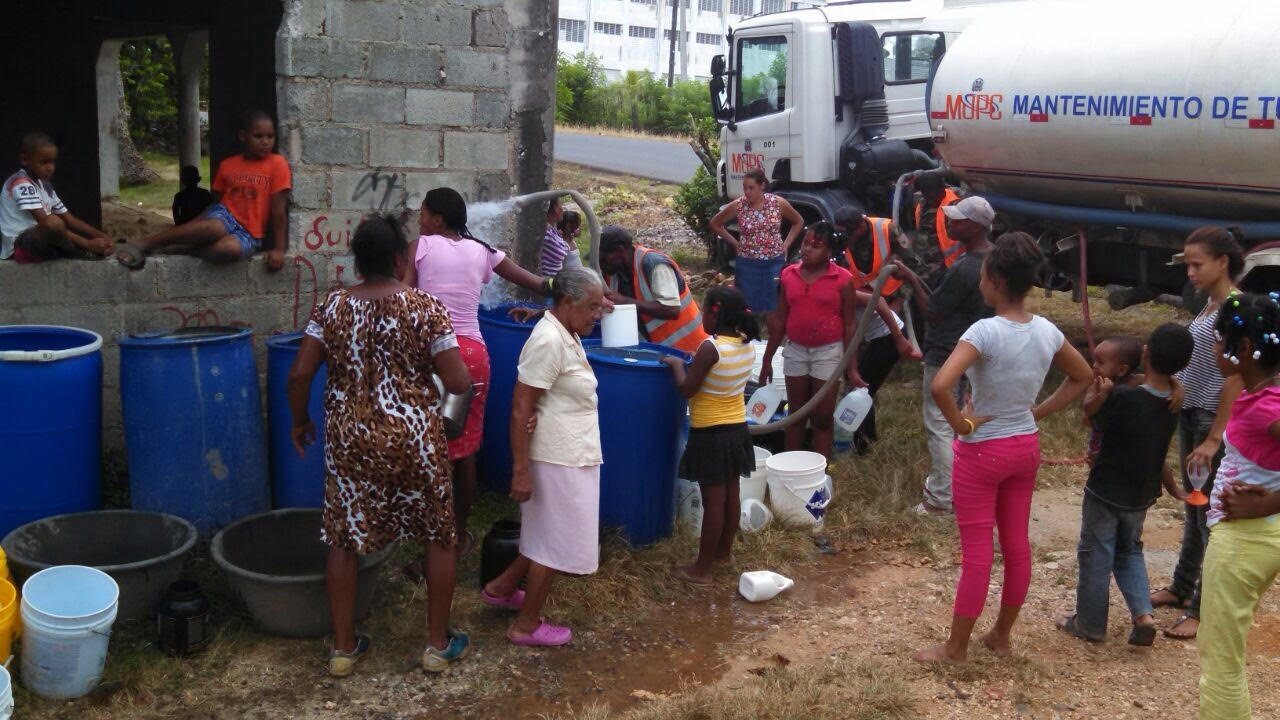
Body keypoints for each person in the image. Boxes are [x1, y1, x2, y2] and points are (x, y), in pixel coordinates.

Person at [287, 215, 473, 677]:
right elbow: (457, 380)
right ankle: (437, 644)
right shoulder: (426, 307)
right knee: (439, 533)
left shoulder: (331, 307)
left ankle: (343, 648)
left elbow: (299, 375)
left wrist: (300, 420)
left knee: (343, 537)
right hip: (415, 438)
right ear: (398, 259)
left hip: (351, 439)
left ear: (357, 261)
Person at [914, 232, 1092, 664]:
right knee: (1016, 546)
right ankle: (1001, 635)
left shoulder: (984, 331)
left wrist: (961, 425)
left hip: (981, 452)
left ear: (993, 279)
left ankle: (955, 649)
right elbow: (1083, 375)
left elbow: (940, 385)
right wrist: (1039, 412)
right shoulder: (1046, 330)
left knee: (978, 556)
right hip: (1024, 448)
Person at [403, 187, 551, 558]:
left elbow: (402, 296)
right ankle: (458, 535)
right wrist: (568, 286)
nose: (419, 219)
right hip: (471, 355)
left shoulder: (420, 247)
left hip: (431, 354)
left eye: (423, 213)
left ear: (437, 219)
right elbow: (533, 282)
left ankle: (430, 534)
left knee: (427, 444)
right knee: (464, 448)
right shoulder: (481, 250)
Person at [481, 267, 607, 647]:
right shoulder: (550, 340)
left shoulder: (565, 328)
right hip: (559, 457)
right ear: (567, 303)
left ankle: (501, 588)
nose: (598, 314)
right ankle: (525, 625)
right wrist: (520, 470)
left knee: (543, 534)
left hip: (570, 450)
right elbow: (521, 406)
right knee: (554, 542)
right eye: (592, 307)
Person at [1057, 323, 1193, 646]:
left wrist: (1101, 394)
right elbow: (1159, 455)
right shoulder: (1173, 402)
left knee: (1096, 554)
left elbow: (1091, 418)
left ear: (1145, 354)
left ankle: (1090, 624)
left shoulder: (1122, 396)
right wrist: (1173, 489)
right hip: (1140, 496)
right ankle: (1143, 615)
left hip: (1106, 491)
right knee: (1129, 551)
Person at [1152, 227, 1246, 641]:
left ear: (1222, 262)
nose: (1190, 272)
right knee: (1194, 507)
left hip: (1210, 418)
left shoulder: (1235, 307)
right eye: (1187, 265)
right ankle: (1181, 585)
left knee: (1208, 515)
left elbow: (1235, 377)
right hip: (1192, 412)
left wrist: (1214, 438)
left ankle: (1202, 608)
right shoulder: (1211, 303)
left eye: (1197, 264)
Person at [1197, 292, 1280, 720]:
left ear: (1243, 348)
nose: (1214, 349)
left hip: (1245, 542)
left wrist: (1268, 503)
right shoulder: (1265, 394)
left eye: (1218, 340)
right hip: (1254, 537)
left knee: (1221, 659)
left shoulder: (1267, 407)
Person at [894, 196, 996, 516]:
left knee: (939, 420)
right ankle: (958, 484)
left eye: (957, 220)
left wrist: (911, 278)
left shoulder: (965, 267)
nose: (949, 223)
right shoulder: (994, 259)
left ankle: (940, 499)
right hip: (977, 350)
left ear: (975, 227)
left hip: (948, 352)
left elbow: (933, 312)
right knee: (961, 418)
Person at [662, 286, 759, 584]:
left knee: (713, 502)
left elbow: (686, 389)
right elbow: (718, 372)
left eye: (703, 310)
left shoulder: (711, 348)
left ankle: (701, 569)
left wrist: (676, 365)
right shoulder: (746, 345)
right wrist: (697, 361)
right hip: (737, 430)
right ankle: (723, 553)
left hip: (711, 433)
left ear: (716, 314)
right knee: (731, 496)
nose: (701, 316)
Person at [117, 110, 290, 271]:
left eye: (270, 136)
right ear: (243, 136)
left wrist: (279, 249)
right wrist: (196, 224)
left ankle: (185, 248)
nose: (265, 141)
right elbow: (218, 203)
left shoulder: (277, 164)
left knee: (229, 249)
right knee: (214, 227)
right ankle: (147, 243)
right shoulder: (228, 165)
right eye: (258, 136)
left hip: (250, 232)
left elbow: (278, 210)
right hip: (225, 216)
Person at [759, 222, 863, 459]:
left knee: (823, 416)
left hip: (828, 352)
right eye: (806, 243)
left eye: (816, 246)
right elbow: (780, 320)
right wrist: (767, 360)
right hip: (796, 350)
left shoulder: (843, 279)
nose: (807, 249)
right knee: (796, 414)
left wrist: (852, 369)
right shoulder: (789, 274)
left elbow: (850, 325)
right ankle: (790, 464)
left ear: (829, 252)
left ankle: (820, 467)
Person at [832, 209, 919, 453]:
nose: (846, 240)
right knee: (858, 384)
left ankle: (863, 445)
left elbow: (913, 266)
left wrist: (898, 307)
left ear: (860, 227)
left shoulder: (886, 229)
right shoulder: (840, 251)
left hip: (885, 313)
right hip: (866, 314)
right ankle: (861, 440)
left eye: (849, 234)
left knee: (861, 386)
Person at [1, 131, 113, 262]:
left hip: (42, 242)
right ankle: (81, 251)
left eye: (53, 162)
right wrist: (88, 243)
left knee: (58, 227)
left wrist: (102, 236)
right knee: (54, 223)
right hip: (21, 247)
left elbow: (70, 219)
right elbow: (47, 222)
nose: (51, 168)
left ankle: (82, 250)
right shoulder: (21, 183)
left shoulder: (45, 186)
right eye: (44, 162)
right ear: (25, 160)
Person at [599, 224, 710, 354]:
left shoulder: (654, 264)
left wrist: (625, 302)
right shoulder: (612, 273)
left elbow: (672, 310)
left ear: (620, 250)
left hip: (691, 351)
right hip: (659, 355)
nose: (600, 263)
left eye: (603, 258)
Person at [707, 168, 804, 315]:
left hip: (773, 261)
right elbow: (715, 223)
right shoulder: (739, 205)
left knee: (773, 303)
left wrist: (786, 244)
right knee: (745, 303)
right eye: (745, 188)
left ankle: (769, 325)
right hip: (748, 262)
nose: (747, 192)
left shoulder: (777, 203)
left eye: (751, 188)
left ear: (762, 185)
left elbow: (798, 221)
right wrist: (735, 243)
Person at [910, 172, 964, 285]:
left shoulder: (954, 206)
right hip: (925, 255)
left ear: (942, 189)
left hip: (946, 261)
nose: (929, 198)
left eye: (932, 194)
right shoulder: (923, 203)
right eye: (925, 193)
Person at [539, 196, 581, 276]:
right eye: (561, 204)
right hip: (548, 281)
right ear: (556, 208)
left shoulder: (552, 231)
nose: (563, 208)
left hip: (557, 280)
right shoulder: (545, 234)